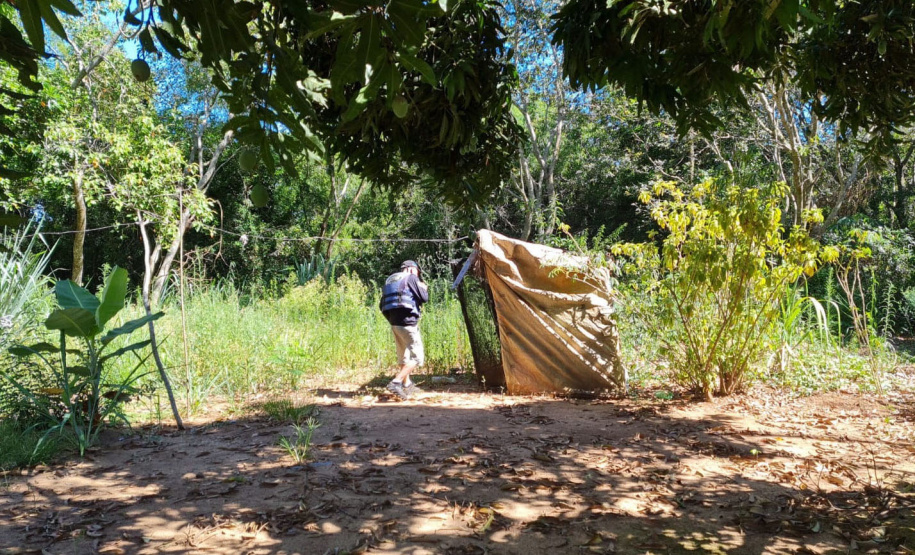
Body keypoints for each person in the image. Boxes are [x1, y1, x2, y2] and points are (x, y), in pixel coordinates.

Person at [379, 260, 429, 400]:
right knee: (417, 357)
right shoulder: (411, 278)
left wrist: (393, 321)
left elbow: (381, 305)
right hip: (408, 323)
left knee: (404, 356)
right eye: (418, 271)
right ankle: (396, 382)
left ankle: (407, 385)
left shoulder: (391, 280)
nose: (418, 274)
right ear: (412, 269)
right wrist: (424, 288)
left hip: (395, 323)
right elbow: (424, 298)